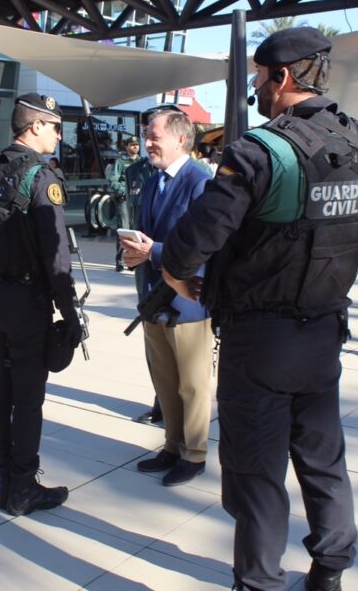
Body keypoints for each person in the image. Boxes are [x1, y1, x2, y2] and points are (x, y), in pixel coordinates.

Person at [159, 27, 358, 591]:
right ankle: (330, 570)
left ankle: (259, 581)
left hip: (260, 339)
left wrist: (173, 273)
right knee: (322, 459)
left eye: (261, 77)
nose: (257, 87)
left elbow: (194, 242)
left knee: (257, 471)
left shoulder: (260, 150)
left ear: (282, 77)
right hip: (324, 332)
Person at [0, 93, 82, 516]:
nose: (58, 134)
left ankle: (5, 480)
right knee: (27, 399)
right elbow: (56, 256)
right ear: (34, 127)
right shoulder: (40, 177)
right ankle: (24, 487)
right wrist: (70, 314)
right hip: (26, 301)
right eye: (54, 126)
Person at [120, 108, 213, 487]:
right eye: (146, 135)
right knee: (164, 381)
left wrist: (153, 252)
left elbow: (201, 245)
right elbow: (145, 232)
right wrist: (130, 253)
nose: (148, 142)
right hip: (153, 299)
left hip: (187, 301)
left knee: (192, 384)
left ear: (180, 138)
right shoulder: (154, 180)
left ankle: (194, 454)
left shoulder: (201, 181)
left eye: (155, 135)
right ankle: (173, 446)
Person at [122, 136, 160, 426]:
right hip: (143, 267)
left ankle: (176, 405)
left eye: (156, 136)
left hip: (173, 262)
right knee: (152, 334)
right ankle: (160, 401)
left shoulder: (195, 174)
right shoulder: (134, 172)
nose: (148, 142)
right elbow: (131, 212)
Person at [107, 136, 143, 272]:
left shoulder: (142, 162)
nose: (135, 147)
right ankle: (120, 261)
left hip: (139, 200)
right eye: (132, 145)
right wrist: (124, 191)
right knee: (124, 230)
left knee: (138, 230)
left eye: (137, 145)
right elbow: (113, 180)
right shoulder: (120, 162)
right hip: (125, 200)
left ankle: (135, 259)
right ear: (126, 147)